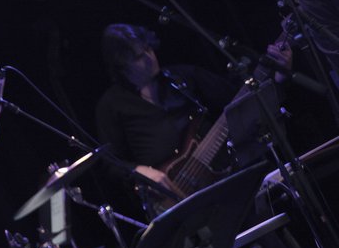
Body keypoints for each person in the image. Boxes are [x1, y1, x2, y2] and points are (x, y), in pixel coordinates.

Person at [94, 23, 292, 220]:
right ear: (122, 67)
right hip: (172, 203)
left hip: (229, 182)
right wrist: (139, 172)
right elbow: (110, 163)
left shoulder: (183, 77)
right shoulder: (112, 106)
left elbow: (240, 103)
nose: (149, 57)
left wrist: (278, 77)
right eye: (138, 57)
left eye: (148, 48)